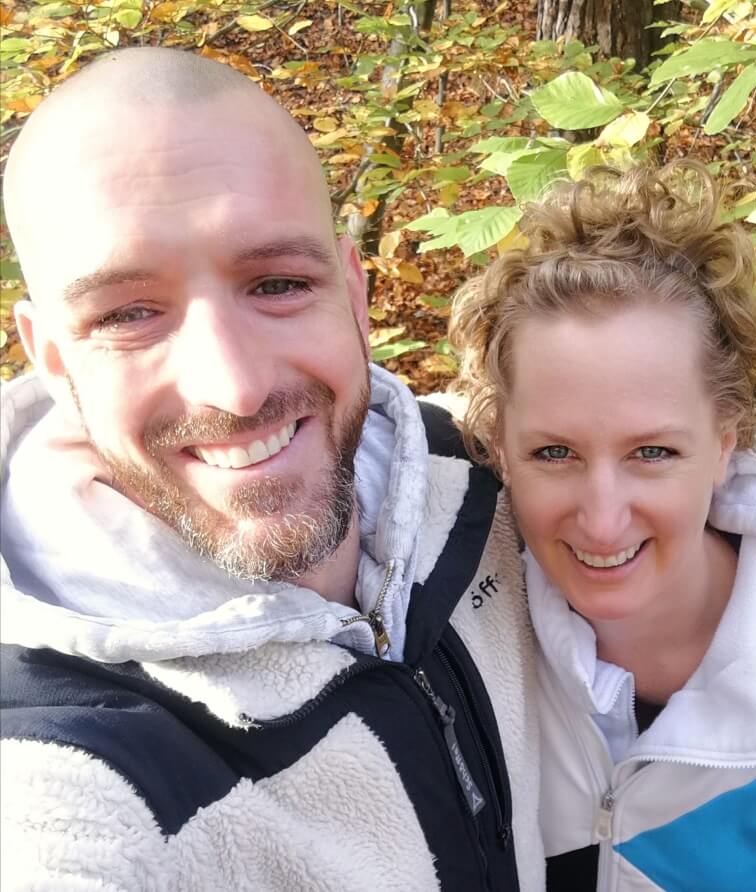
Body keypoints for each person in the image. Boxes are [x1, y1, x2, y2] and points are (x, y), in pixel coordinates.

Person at [0, 47, 546, 891]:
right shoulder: (66, 771)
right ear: (52, 359)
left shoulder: (485, 478)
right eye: (130, 313)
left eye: (278, 284)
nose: (236, 385)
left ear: (354, 294)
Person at [447, 162, 756, 891]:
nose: (601, 520)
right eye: (553, 453)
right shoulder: (462, 616)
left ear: (725, 442)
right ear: (499, 446)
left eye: (652, 453)